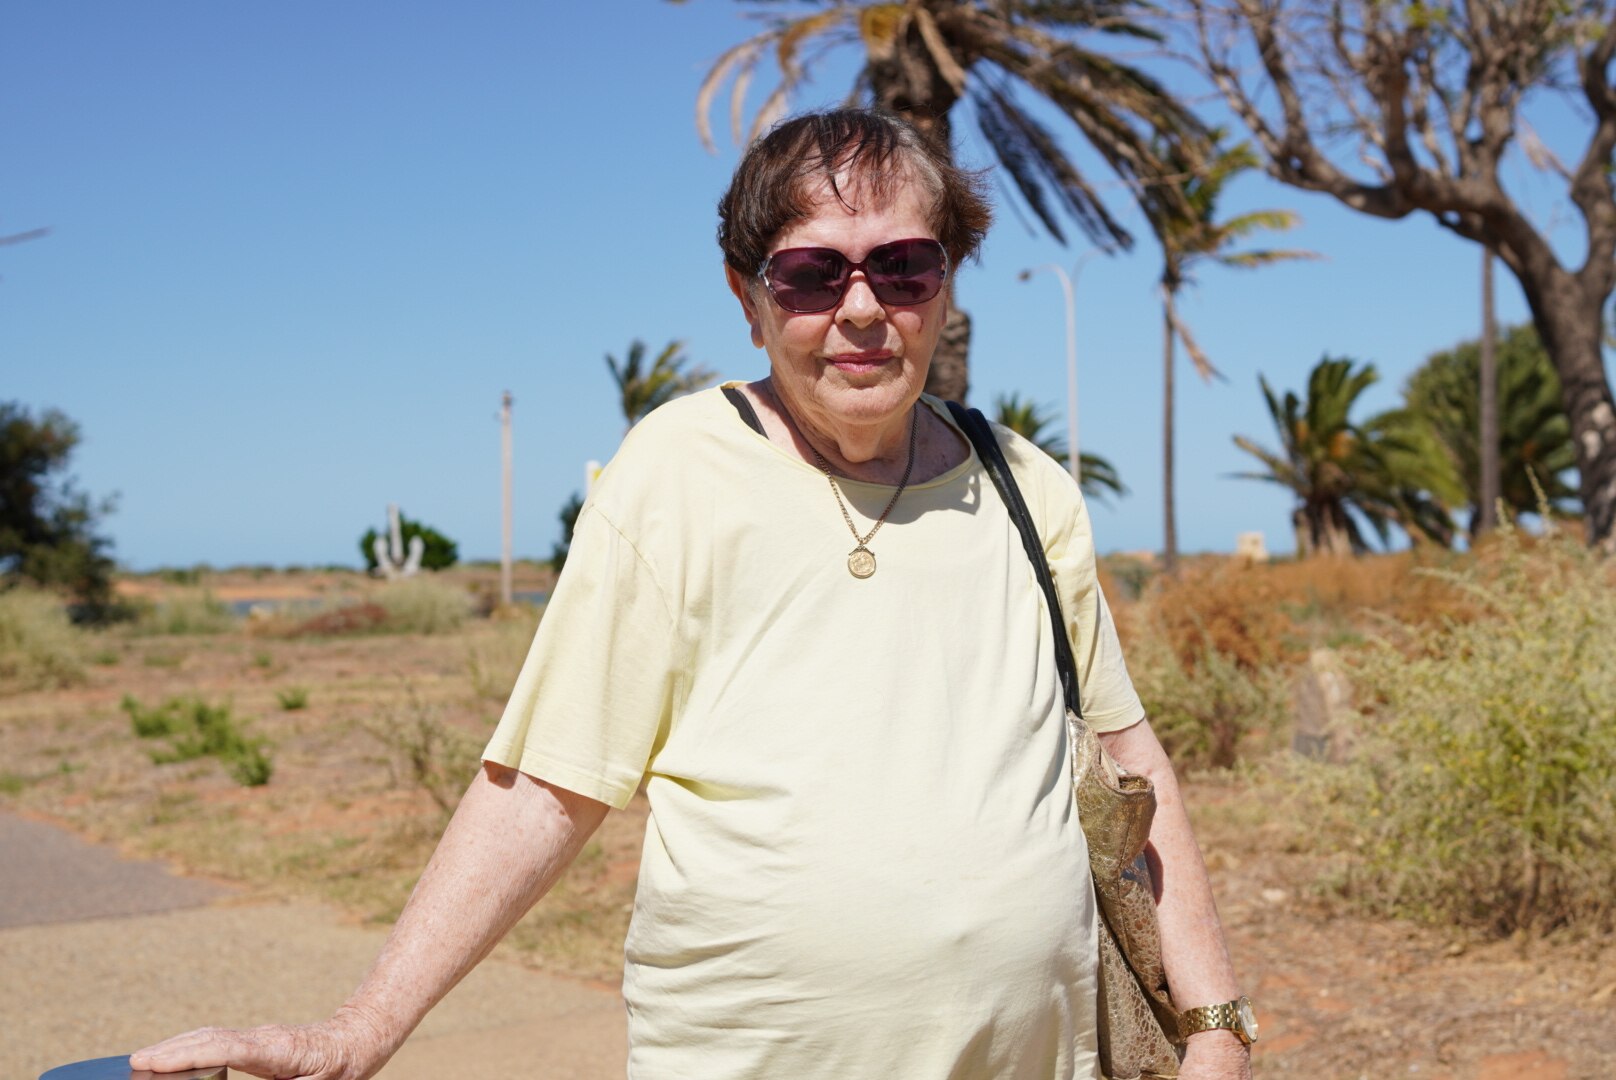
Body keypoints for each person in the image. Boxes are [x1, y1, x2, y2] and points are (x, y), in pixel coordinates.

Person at [132, 108, 1254, 1080]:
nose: (861, 308)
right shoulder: (674, 471)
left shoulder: (1025, 487)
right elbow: (544, 787)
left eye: (900, 266)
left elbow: (1127, 761)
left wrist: (1213, 1029)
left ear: (945, 284)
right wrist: (359, 1031)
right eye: (812, 274)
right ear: (747, 295)